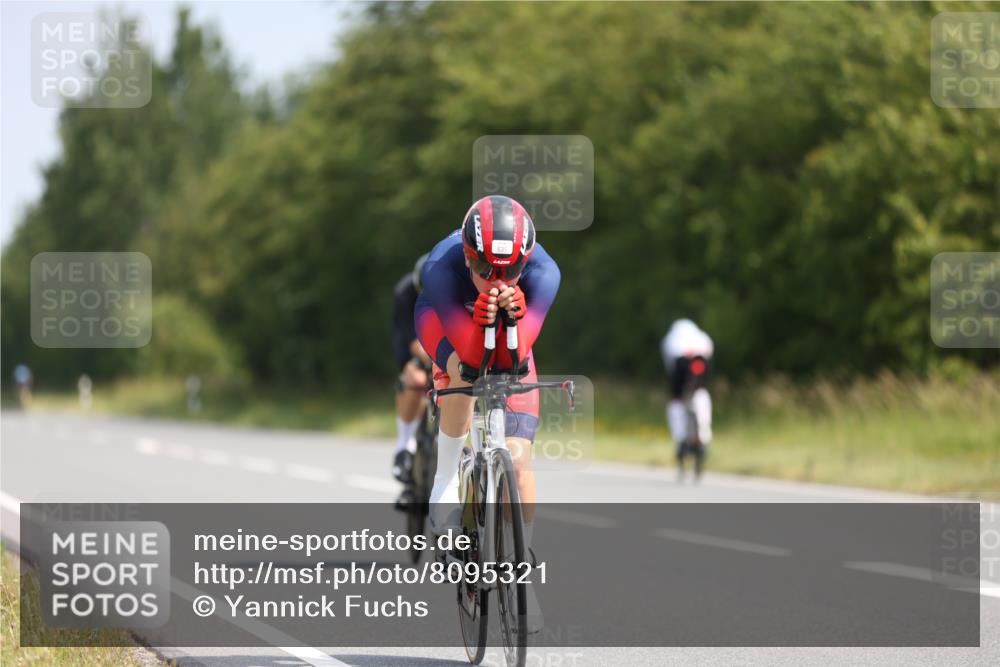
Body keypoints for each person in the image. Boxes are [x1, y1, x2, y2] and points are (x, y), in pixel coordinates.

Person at [415, 195, 559, 632]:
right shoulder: (442, 267)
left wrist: (511, 318)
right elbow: (475, 360)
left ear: (526, 262)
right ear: (468, 256)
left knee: (517, 460)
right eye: (485, 271)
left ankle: (520, 569)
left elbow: (515, 360)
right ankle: (445, 481)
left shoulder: (545, 274)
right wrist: (479, 322)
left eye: (510, 271)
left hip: (511, 333)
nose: (497, 280)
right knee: (464, 373)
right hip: (448, 321)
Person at [390, 253, 433, 508]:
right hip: (414, 339)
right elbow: (415, 343)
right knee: (416, 378)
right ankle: (404, 445)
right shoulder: (406, 292)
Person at [661, 319, 714, 457]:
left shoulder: (670, 340)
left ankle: (681, 439)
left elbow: (670, 367)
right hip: (700, 362)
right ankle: (703, 436)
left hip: (681, 364)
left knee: (676, 401)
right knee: (701, 393)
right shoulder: (702, 337)